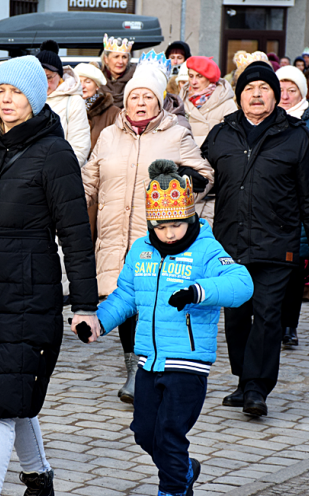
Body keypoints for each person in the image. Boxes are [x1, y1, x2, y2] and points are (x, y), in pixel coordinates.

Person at [0, 55, 98, 496]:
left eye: (16, 92)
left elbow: (74, 234)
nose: (6, 99)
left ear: (36, 97)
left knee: (0, 400)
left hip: (28, 294)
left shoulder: (54, 153)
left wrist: (85, 304)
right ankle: (38, 475)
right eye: (1, 91)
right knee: (7, 391)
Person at [73, 160, 253, 496]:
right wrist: (99, 322)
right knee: (144, 432)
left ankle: (172, 489)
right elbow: (126, 295)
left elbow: (241, 284)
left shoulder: (207, 249)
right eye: (161, 226)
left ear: (190, 217)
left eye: (177, 225)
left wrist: (199, 291)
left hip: (187, 363)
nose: (169, 233)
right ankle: (184, 470)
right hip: (148, 362)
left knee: (170, 434)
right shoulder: (141, 250)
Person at [82, 51, 214, 404]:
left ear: (158, 102)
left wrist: (188, 178)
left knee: (149, 301)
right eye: (134, 97)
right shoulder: (109, 136)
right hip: (113, 234)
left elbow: (205, 174)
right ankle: (133, 370)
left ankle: (149, 366)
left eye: (147, 97)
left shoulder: (176, 133)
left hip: (156, 236)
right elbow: (89, 179)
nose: (140, 102)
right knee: (124, 300)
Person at [202, 61, 309, 416]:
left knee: (269, 316)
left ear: (276, 96)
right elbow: (201, 177)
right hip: (230, 244)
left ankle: (258, 388)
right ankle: (244, 381)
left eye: (264, 89)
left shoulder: (296, 136)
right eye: (248, 89)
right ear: (239, 97)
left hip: (277, 245)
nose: (256, 95)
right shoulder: (220, 134)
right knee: (238, 317)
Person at [275, 65, 309, 347]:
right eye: (280, 89)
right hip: (271, 206)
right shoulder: (268, 120)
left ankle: (289, 325)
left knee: (294, 270)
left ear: (301, 92)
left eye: (291, 90)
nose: (285, 95)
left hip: (299, 206)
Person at [180, 56, 237, 229]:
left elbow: (230, 145)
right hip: (186, 175)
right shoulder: (180, 101)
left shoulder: (227, 105)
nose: (194, 81)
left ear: (210, 78)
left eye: (200, 77)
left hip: (214, 182)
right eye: (191, 76)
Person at [37, 40, 91, 166]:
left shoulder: (73, 101)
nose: (44, 83)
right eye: (40, 77)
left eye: (49, 77)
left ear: (60, 76)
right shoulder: (26, 98)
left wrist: (56, 174)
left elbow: (79, 147)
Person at [76, 62, 119, 151]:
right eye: (79, 82)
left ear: (97, 86)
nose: (82, 86)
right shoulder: (69, 108)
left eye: (88, 82)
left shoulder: (113, 112)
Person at [100, 33, 135, 108]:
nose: (120, 61)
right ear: (106, 59)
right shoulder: (97, 80)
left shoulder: (136, 79)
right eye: (116, 57)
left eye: (124, 57)